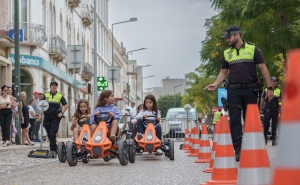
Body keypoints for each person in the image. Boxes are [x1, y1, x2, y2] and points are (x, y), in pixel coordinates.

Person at [204, 26, 273, 161]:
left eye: (229, 37)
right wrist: (216, 84)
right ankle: (238, 150)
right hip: (234, 90)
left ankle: (251, 149)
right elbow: (223, 72)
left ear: (237, 35)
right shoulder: (226, 53)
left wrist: (269, 87)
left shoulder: (253, 49)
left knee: (250, 121)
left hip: (251, 89)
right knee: (235, 120)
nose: (227, 40)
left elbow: (263, 68)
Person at [43, 81, 69, 157]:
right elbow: (42, 105)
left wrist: (62, 112)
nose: (54, 86)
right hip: (47, 116)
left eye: (55, 85)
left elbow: (66, 105)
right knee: (49, 133)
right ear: (50, 86)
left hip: (55, 116)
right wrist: (40, 115)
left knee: (52, 132)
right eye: (52, 85)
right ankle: (55, 147)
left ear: (57, 87)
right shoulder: (46, 95)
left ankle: (53, 150)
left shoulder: (60, 95)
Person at [260, 76, 281, 146]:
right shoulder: (266, 90)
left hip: (275, 111)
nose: (275, 82)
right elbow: (262, 99)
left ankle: (274, 141)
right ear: (270, 82)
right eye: (273, 81)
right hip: (267, 110)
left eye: (276, 81)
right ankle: (264, 140)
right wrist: (259, 108)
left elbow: (281, 100)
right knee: (266, 126)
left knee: (274, 127)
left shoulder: (279, 91)